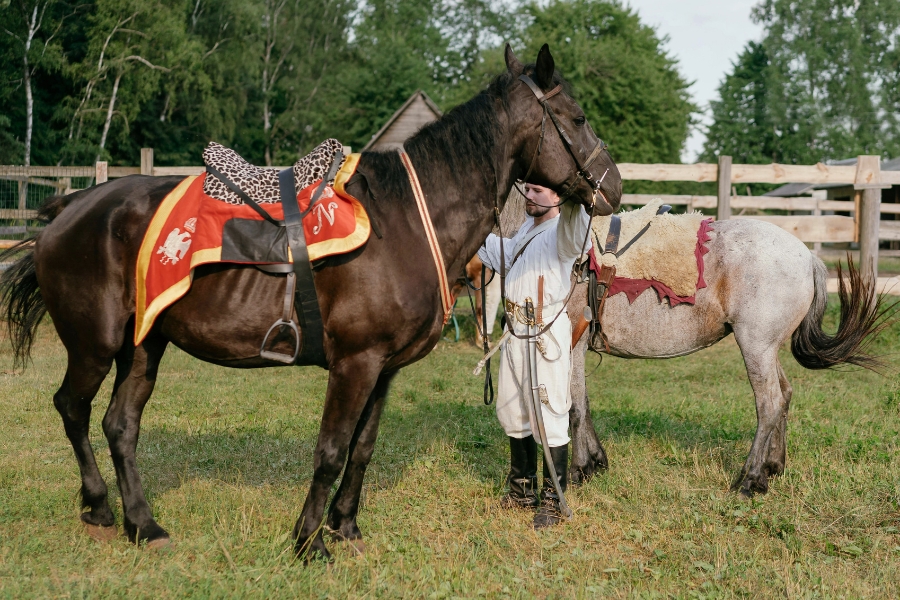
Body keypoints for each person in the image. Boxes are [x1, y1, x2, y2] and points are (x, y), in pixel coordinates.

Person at [477, 182, 592, 528]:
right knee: (514, 412)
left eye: (539, 190)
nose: (529, 195)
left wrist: (574, 192)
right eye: (527, 188)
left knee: (550, 416)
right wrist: (474, 224)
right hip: (515, 331)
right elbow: (509, 253)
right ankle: (521, 491)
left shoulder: (566, 229)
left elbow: (579, 233)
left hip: (544, 337)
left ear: (559, 196)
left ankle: (554, 500)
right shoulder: (529, 227)